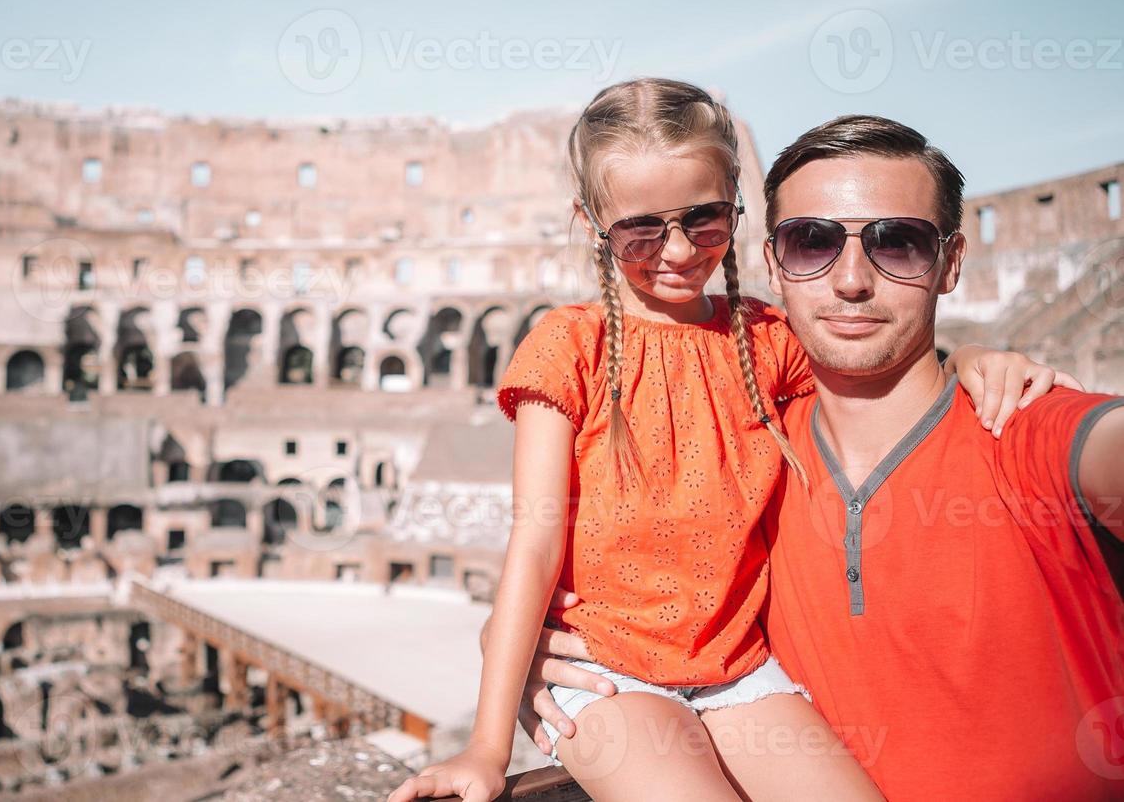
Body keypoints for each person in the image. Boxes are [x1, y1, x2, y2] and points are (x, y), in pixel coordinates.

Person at [386, 82, 1069, 802]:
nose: (679, 251)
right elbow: (535, 541)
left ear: (735, 204)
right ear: (591, 223)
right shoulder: (567, 347)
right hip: (605, 674)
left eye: (706, 221)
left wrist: (964, 360)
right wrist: (488, 749)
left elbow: (884, 374)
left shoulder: (767, 339)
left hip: (738, 673)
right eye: (642, 231)